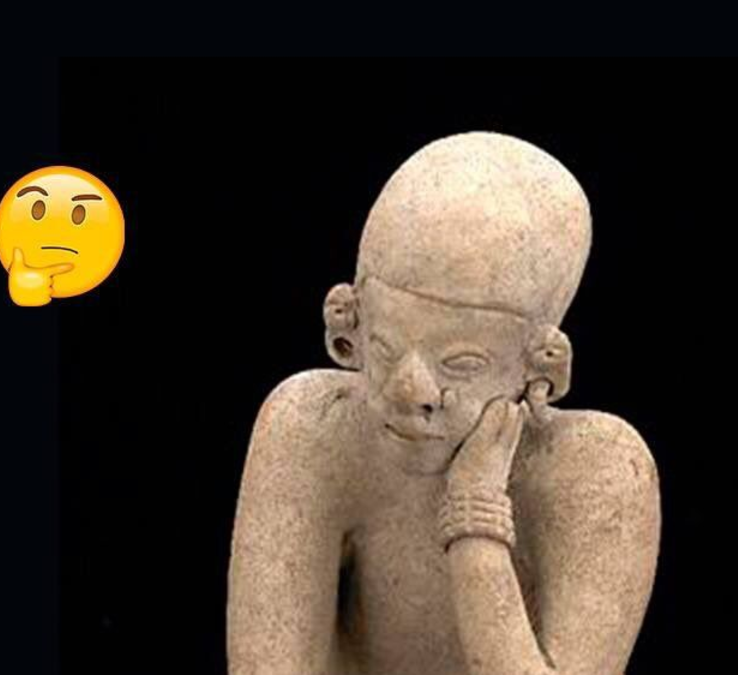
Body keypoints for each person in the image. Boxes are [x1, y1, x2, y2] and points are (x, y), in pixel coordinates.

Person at [227, 132, 660, 675]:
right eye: (385, 349)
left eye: (461, 363)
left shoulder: (599, 471)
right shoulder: (313, 426)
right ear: (351, 328)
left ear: (539, 369)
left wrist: (476, 513)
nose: (410, 394)